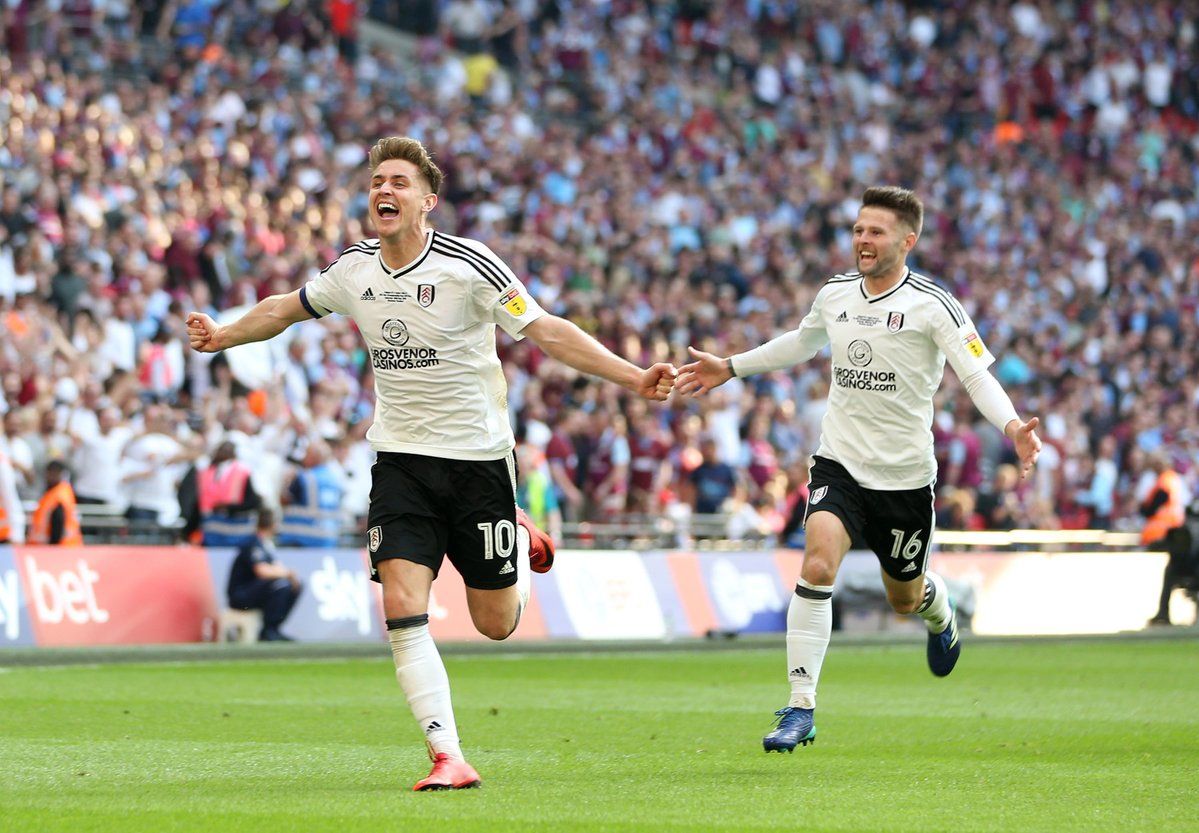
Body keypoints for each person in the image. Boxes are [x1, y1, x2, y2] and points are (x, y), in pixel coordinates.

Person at [186, 136, 676, 790]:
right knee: (400, 604)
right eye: (376, 182)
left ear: (427, 201)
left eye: (398, 182)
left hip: (477, 462)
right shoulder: (353, 269)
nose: (383, 191)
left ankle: (517, 534)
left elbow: (546, 330)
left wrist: (633, 375)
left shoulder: (470, 265)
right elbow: (286, 309)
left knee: (494, 624)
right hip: (401, 463)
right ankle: (448, 753)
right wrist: (224, 334)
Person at [678, 186, 1041, 753]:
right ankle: (800, 707)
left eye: (876, 232)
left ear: (907, 240)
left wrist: (1013, 426)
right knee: (817, 564)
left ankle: (938, 609)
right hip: (839, 464)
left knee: (903, 599)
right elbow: (802, 343)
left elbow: (975, 375)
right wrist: (731, 366)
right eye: (858, 230)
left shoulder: (934, 304)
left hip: (904, 480)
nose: (862, 241)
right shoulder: (835, 294)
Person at [226, 510, 302, 642]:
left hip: (254, 592)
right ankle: (268, 631)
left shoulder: (265, 544)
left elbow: (277, 567)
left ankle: (274, 628)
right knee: (281, 585)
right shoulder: (253, 543)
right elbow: (261, 571)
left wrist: (290, 576)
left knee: (293, 586)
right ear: (273, 524)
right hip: (240, 595)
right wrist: (288, 574)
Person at [198, 439, 262, 546]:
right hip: (212, 530)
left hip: (237, 529)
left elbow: (253, 501)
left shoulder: (242, 472)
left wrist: (228, 507)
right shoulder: (207, 472)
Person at [29, 460, 84, 545]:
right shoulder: (61, 492)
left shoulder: (58, 496)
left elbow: (58, 525)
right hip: (66, 547)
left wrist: (53, 547)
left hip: (61, 548)